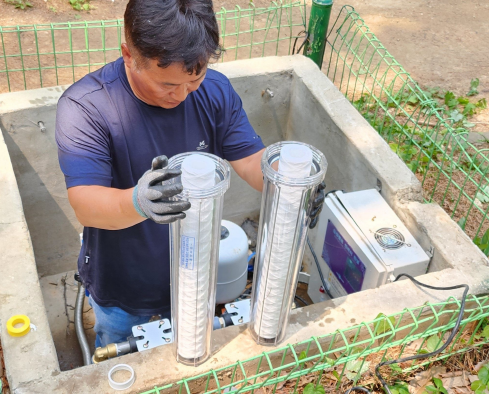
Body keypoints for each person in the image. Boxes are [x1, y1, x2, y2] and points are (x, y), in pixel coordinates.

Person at [55, 0, 324, 348]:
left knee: (188, 351)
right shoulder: (87, 108)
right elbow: (85, 204)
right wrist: (137, 201)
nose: (181, 95)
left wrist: (289, 186)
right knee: (119, 354)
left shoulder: (214, 92)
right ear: (128, 54)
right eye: (166, 84)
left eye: (193, 79)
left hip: (194, 273)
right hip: (122, 283)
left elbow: (250, 161)